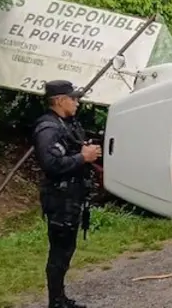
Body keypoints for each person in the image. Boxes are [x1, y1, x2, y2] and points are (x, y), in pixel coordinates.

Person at [33, 80, 101, 308]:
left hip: (72, 196)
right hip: (59, 198)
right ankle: (56, 301)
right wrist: (83, 157)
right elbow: (50, 163)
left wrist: (88, 151)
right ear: (60, 100)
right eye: (73, 98)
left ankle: (60, 298)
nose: (77, 102)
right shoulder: (48, 128)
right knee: (60, 250)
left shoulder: (67, 124)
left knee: (66, 249)